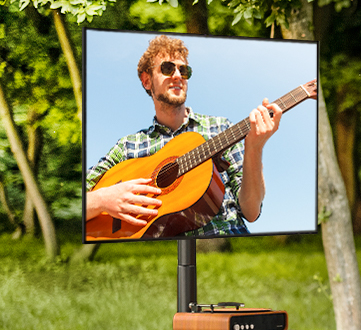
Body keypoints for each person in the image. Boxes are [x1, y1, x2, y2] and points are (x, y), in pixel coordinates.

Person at [85, 35, 283, 236]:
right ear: (147, 81)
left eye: (184, 70)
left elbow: (251, 211)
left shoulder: (221, 129)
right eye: (168, 68)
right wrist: (103, 199)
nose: (178, 75)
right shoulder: (128, 147)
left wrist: (255, 148)